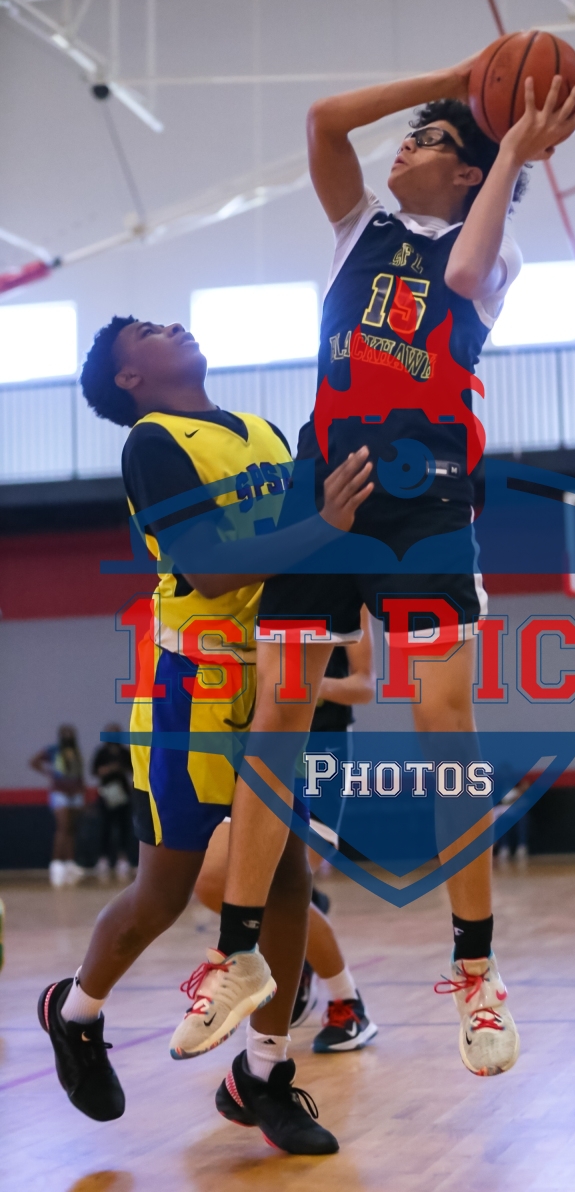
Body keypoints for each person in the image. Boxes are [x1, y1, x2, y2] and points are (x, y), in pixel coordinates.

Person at [171, 59, 575, 1077]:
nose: (402, 147)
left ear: (470, 171)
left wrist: (507, 143)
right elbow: (322, 118)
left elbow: (462, 278)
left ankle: (477, 973)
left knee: (443, 720)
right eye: (408, 136)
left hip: (422, 499)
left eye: (428, 139)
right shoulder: (359, 228)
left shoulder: (492, 252)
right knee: (280, 713)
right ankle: (236, 955)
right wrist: (458, 80)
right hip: (321, 490)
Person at [38, 313, 372, 1153]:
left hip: (273, 681)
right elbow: (212, 568)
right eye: (151, 331)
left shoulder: (262, 432)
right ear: (131, 378)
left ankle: (263, 1073)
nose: (176, 326)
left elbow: (302, 549)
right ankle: (76, 1012)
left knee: (287, 882)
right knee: (164, 893)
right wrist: (325, 526)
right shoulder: (153, 442)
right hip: (192, 688)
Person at [194, 605, 378, 1054]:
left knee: (279, 887)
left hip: (321, 759)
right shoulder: (259, 592)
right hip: (265, 755)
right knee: (210, 880)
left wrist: (311, 684)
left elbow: (365, 685)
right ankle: (297, 948)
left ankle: (348, 1002)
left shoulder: (346, 598)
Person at [31, 725, 86, 887]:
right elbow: (34, 761)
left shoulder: (76, 752)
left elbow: (79, 774)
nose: (68, 736)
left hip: (76, 793)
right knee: (62, 827)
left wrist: (83, 792)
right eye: (65, 733)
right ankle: (56, 864)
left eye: (70, 733)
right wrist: (48, 773)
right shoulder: (53, 750)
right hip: (60, 793)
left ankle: (69, 863)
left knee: (72, 829)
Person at [91, 725, 135, 880]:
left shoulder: (124, 752)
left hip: (123, 794)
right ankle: (103, 859)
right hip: (107, 794)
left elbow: (133, 770)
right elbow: (95, 771)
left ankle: (123, 860)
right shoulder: (102, 753)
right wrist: (109, 769)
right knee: (105, 827)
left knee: (124, 827)